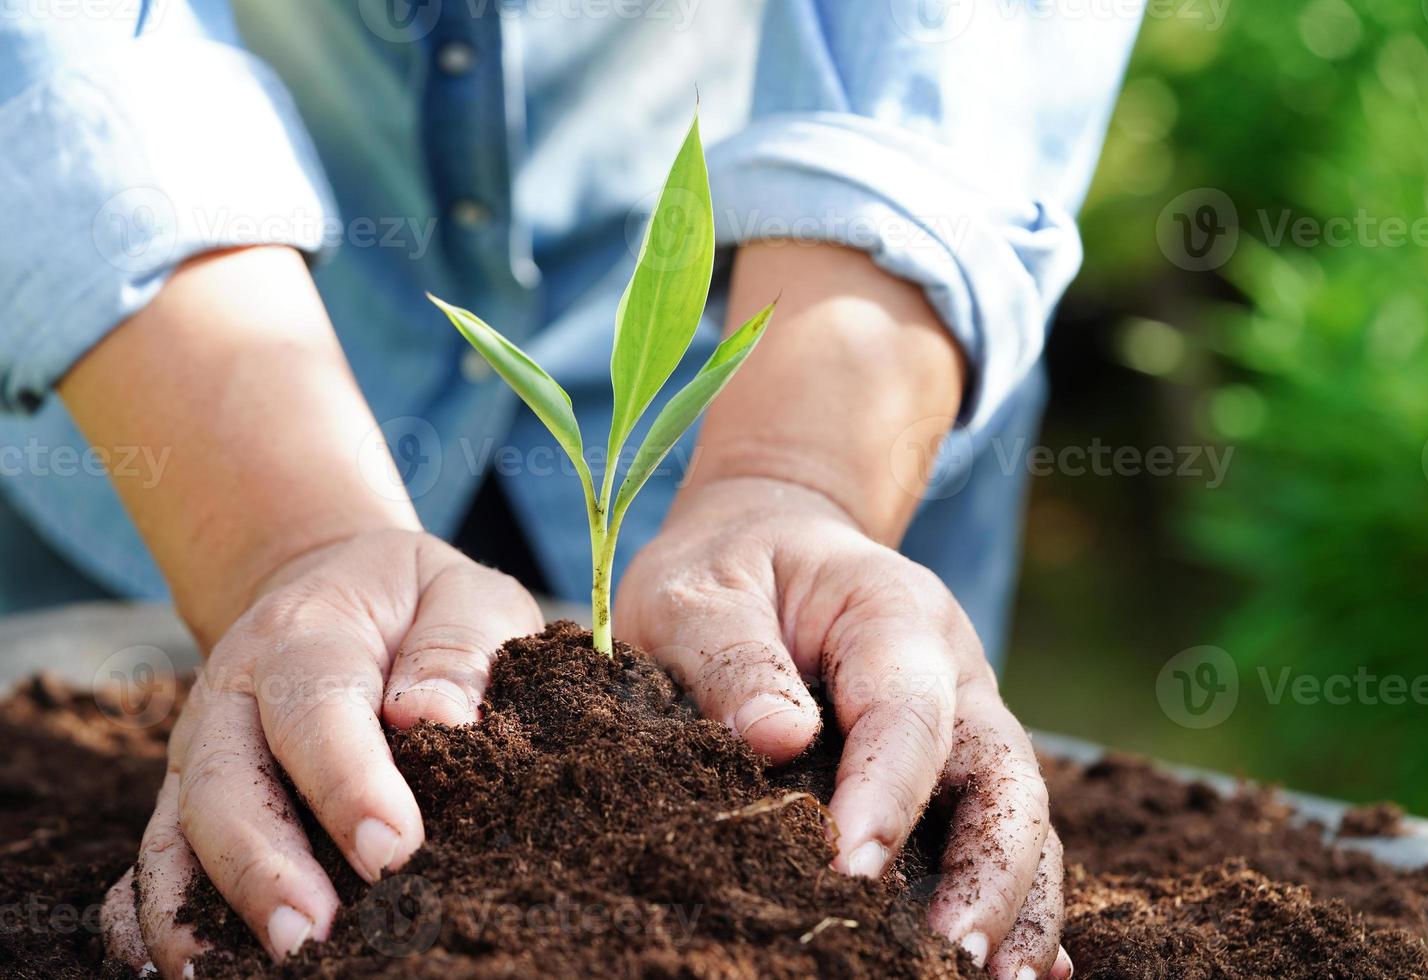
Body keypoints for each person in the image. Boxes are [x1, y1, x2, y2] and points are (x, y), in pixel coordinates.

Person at [0, 2, 1141, 977]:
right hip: (193, 367)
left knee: (865, 743)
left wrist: (800, 481)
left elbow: (950, 35)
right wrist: (281, 545)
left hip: (820, 340)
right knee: (260, 758)